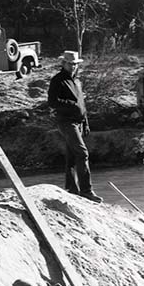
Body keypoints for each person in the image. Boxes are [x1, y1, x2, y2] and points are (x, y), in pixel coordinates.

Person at [47, 50, 102, 202]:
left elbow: (82, 104)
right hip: (66, 122)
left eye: (75, 64)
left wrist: (85, 122)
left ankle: (72, 189)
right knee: (82, 153)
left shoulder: (77, 81)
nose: (73, 67)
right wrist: (72, 106)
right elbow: (52, 101)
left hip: (78, 122)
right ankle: (86, 190)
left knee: (72, 156)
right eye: (70, 64)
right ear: (63, 64)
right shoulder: (57, 80)